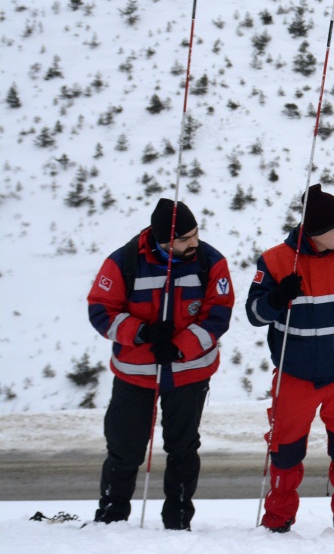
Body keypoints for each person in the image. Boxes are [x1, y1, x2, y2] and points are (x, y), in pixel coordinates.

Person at [86, 198, 234, 529]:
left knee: (183, 449)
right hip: (135, 374)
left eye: (195, 234)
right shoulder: (124, 262)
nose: (193, 243)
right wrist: (142, 332)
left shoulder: (211, 262)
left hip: (189, 374)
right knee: (124, 447)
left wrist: (181, 347)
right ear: (163, 239)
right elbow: (100, 312)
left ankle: (178, 517)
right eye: (185, 239)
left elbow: (218, 314)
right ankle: (112, 515)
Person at [247, 184, 334, 533]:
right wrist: (276, 298)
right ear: (314, 232)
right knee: (285, 451)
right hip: (295, 375)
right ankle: (277, 521)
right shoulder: (276, 261)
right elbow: (253, 313)